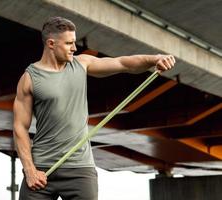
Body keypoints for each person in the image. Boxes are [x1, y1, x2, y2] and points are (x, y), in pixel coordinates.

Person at [13, 16, 175, 200]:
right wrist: (30, 170)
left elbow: (124, 63)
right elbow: (20, 128)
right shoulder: (30, 78)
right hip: (42, 169)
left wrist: (155, 59)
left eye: (74, 42)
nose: (74, 48)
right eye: (69, 43)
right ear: (51, 43)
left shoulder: (81, 64)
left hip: (80, 169)